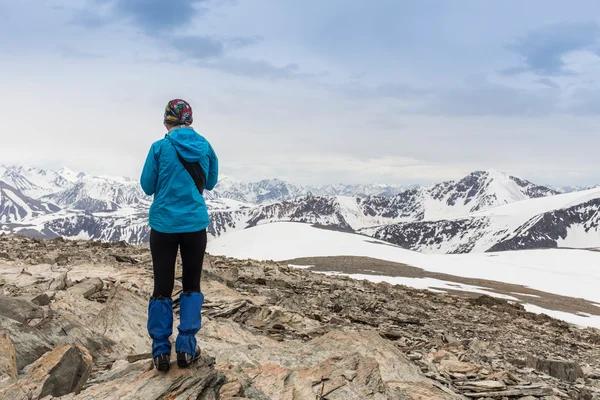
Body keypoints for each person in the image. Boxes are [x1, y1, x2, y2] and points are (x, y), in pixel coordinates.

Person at [140, 99, 218, 371]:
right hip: (195, 225)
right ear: (190, 120)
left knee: (162, 286)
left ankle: (161, 350)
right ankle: (186, 346)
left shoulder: (159, 148)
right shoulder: (205, 146)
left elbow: (147, 186)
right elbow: (210, 182)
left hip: (163, 226)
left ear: (167, 121)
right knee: (191, 283)